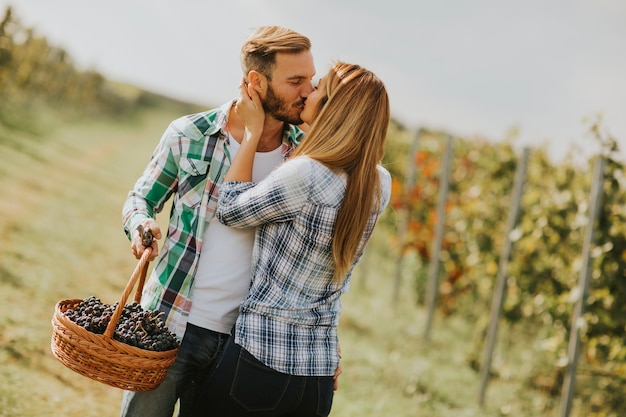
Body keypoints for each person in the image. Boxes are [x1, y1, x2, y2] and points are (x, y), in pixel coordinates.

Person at [119, 26, 316, 417]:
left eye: (310, 79)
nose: (308, 91)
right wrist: (141, 225)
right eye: (296, 81)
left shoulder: (305, 158)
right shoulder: (189, 134)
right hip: (168, 324)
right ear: (256, 82)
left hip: (245, 346)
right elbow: (140, 198)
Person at [190, 61, 392, 417]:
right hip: (317, 378)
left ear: (333, 109)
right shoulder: (379, 184)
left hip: (260, 364)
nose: (308, 92)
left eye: (318, 89)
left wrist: (252, 136)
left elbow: (231, 209)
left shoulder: (306, 174)